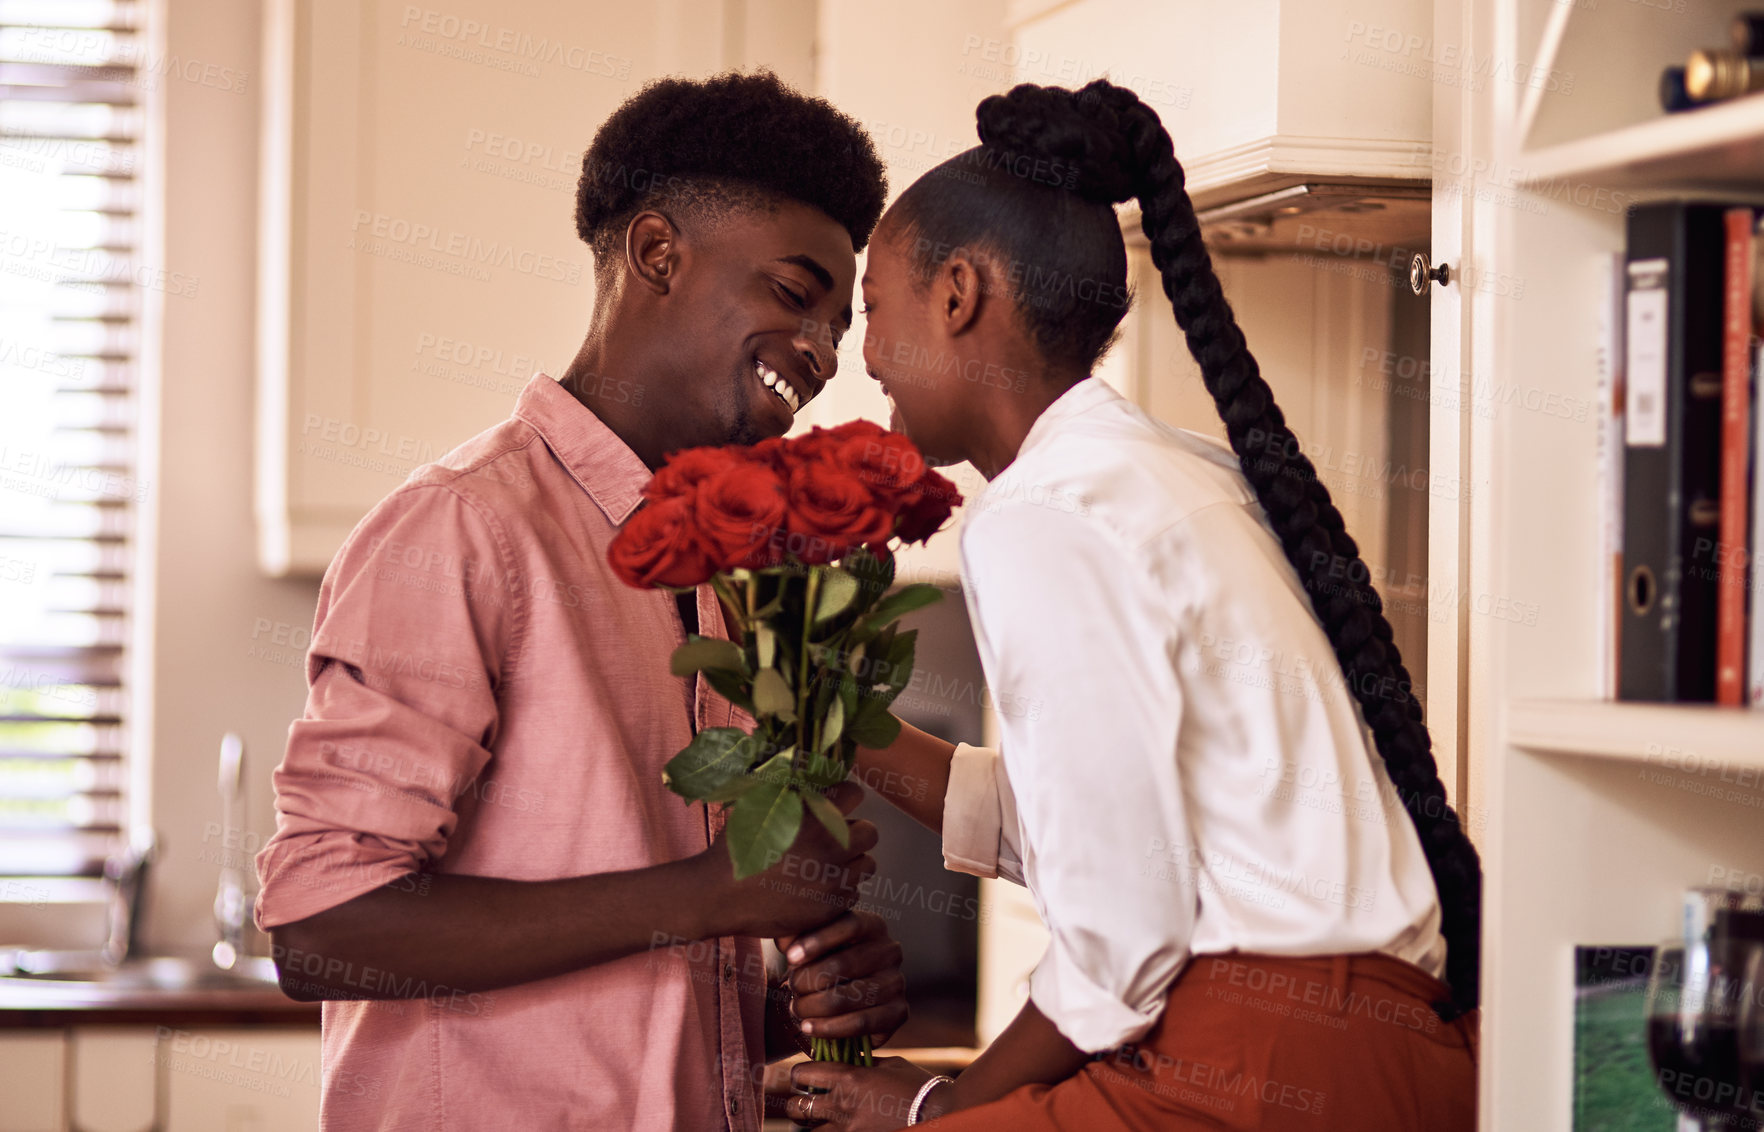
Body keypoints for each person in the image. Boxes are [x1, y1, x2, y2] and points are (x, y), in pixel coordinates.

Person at [779, 79, 1482, 1130]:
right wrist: (827, 722)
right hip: (1392, 1053)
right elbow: (1121, 825)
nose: (863, 354)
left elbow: (1122, 941)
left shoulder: (1042, 518)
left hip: (1262, 1061)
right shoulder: (1172, 472)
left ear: (960, 293)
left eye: (875, 308)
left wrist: (934, 1109)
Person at [254, 71, 909, 1131]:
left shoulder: (729, 585)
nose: (825, 354)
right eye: (796, 294)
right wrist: (720, 891)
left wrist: (793, 1007)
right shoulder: (464, 528)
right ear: (657, 253)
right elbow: (321, 926)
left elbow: (654, 979)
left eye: (837, 322)